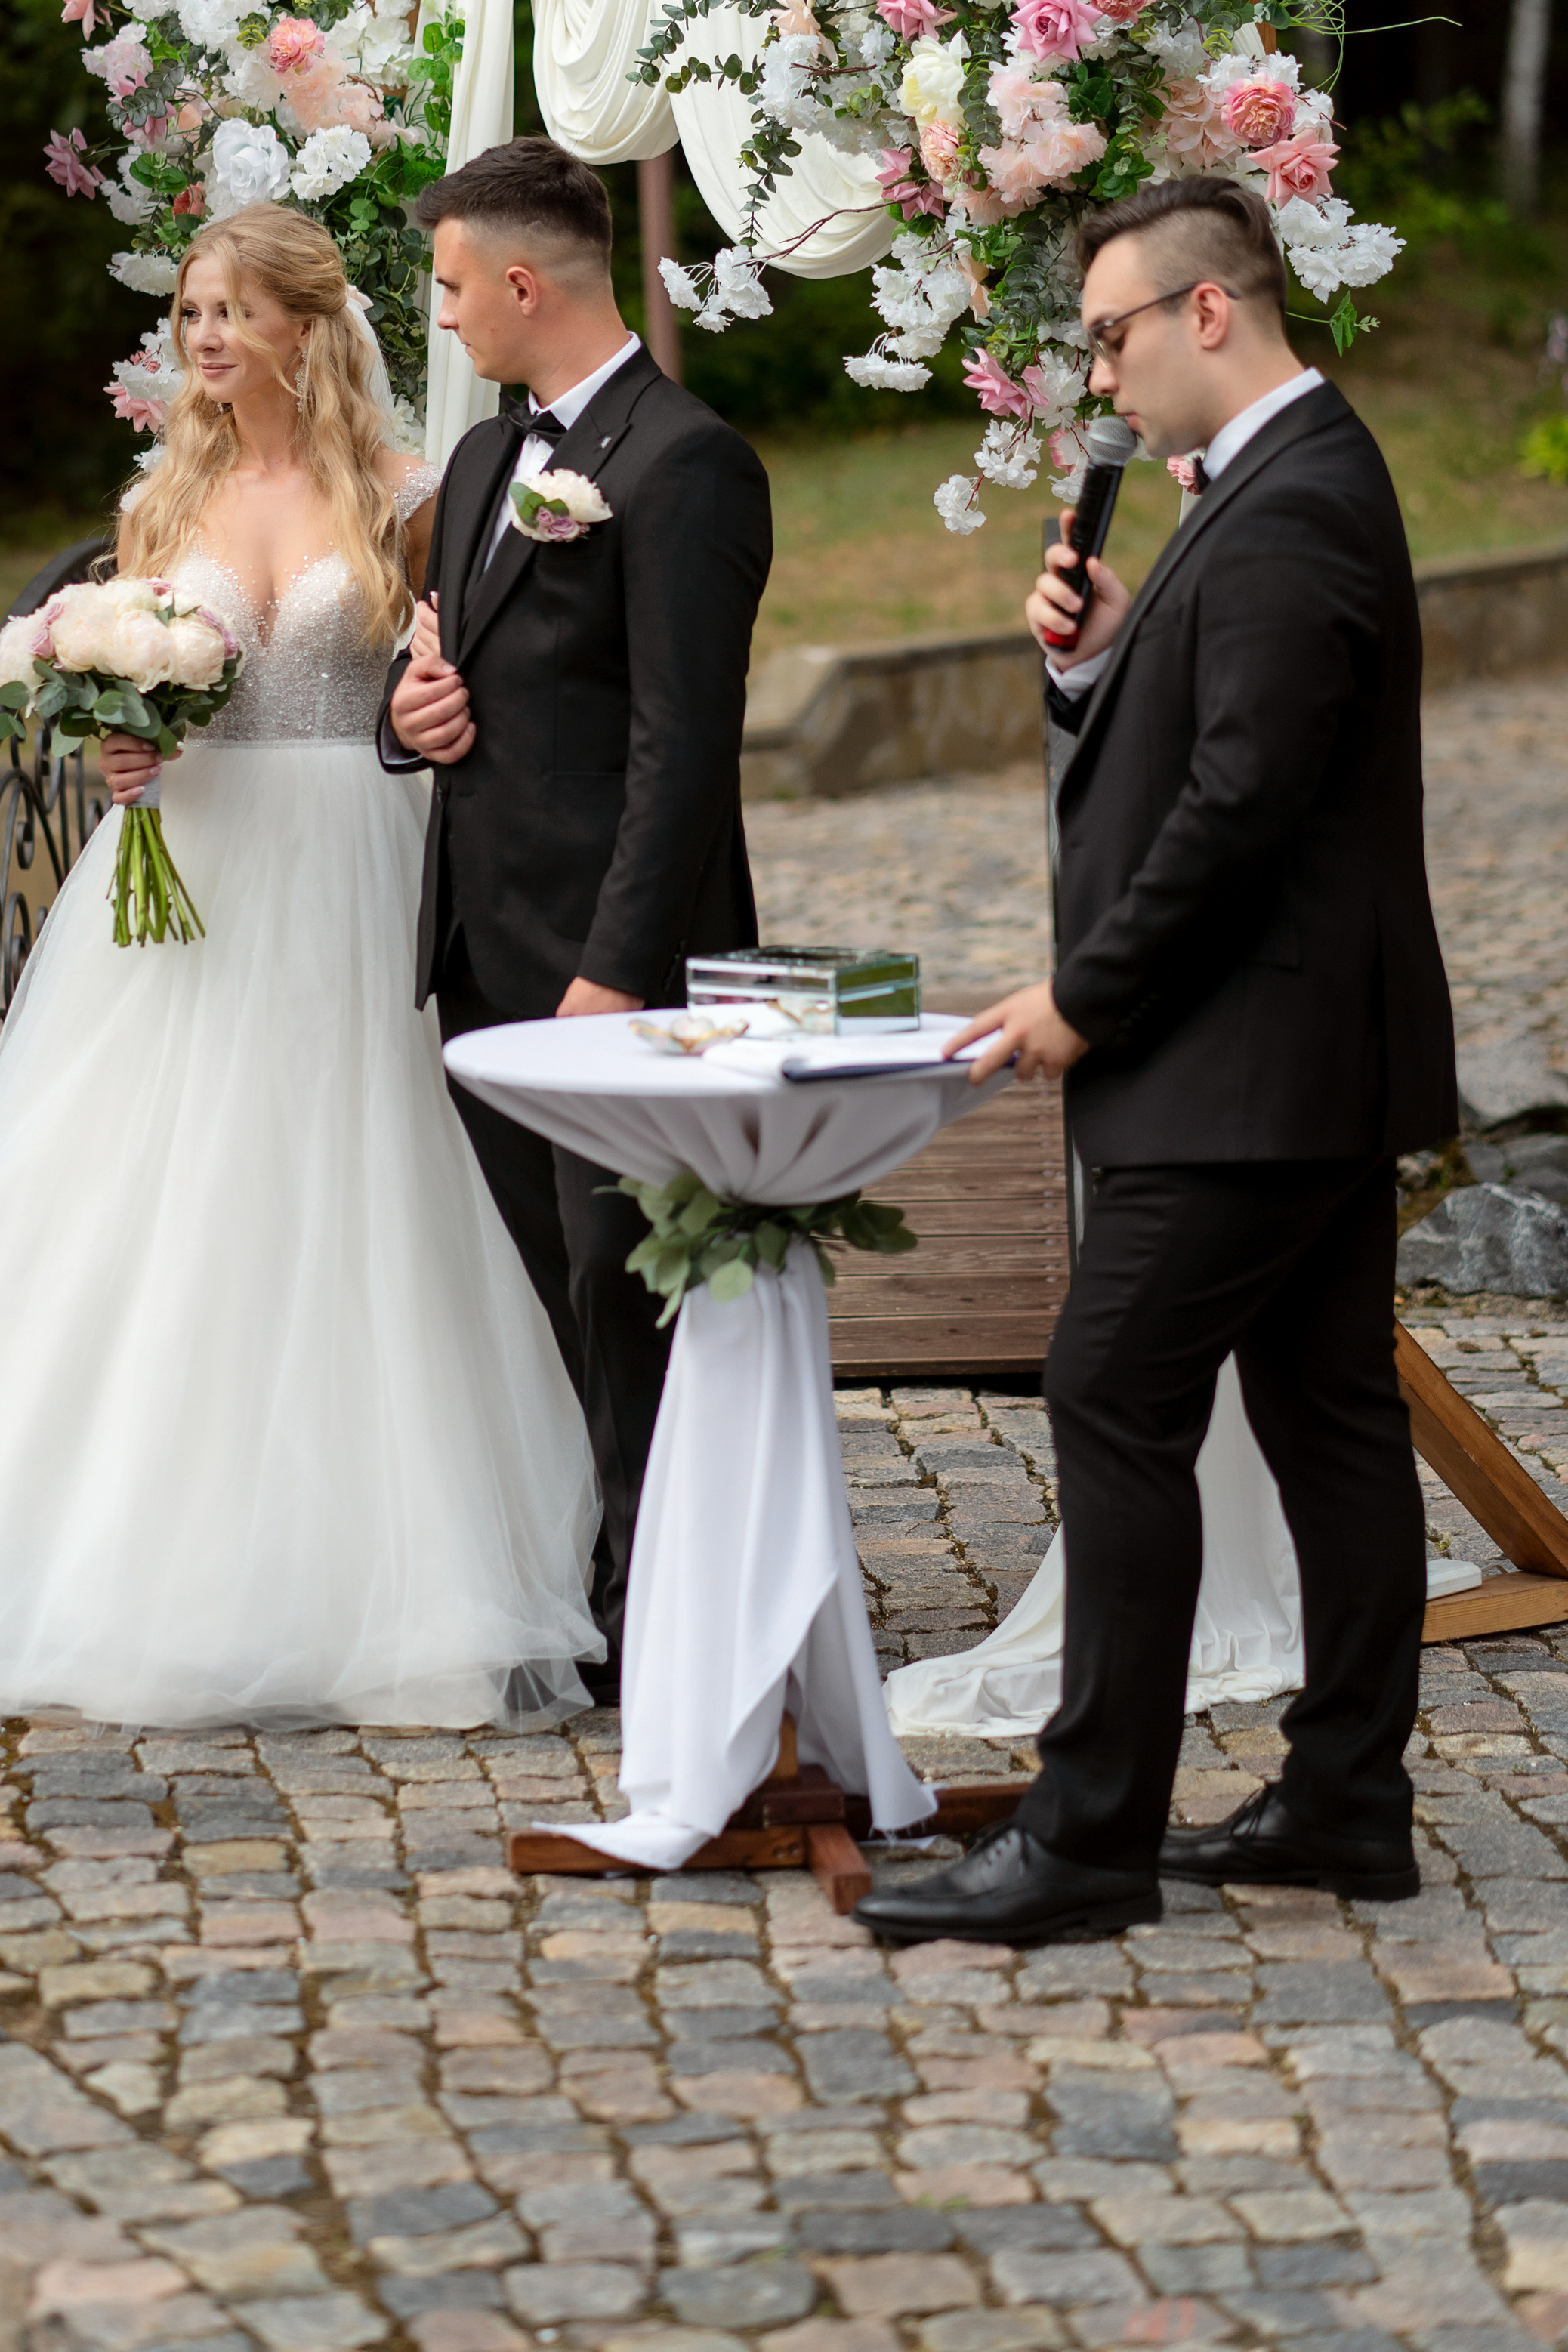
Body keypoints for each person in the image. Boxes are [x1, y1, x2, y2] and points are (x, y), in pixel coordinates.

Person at [0, 205, 604, 1730]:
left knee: (358, 1189)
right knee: (156, 1197)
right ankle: (123, 1565)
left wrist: (429, 712)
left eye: (230, 312)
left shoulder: (406, 497)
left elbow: (448, 667)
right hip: (193, 876)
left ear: (303, 325)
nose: (203, 338)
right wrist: (118, 737)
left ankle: (402, 1580)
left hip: (358, 859)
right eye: (190, 315)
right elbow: (140, 680)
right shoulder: (162, 502)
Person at [858, 172, 1456, 1948]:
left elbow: (1240, 808)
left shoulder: (1289, 505)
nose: (1100, 376)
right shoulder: (1275, 487)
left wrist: (1082, 996)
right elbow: (1227, 730)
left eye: (1112, 335)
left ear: (1210, 309)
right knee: (1330, 1418)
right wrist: (1108, 652)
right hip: (1299, 1053)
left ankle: (1085, 1835)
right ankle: (1347, 1801)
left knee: (1114, 1389)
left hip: (1245, 1061)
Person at [379, 137, 773, 1699]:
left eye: (458, 287)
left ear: (523, 283)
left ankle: (671, 1610)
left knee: (633, 1299)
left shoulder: (686, 467)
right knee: (552, 1296)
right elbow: (447, 675)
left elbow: (685, 746)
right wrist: (408, 712)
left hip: (615, 977)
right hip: (481, 952)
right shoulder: (481, 462)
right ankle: (612, 1578)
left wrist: (616, 974)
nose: (450, 315)